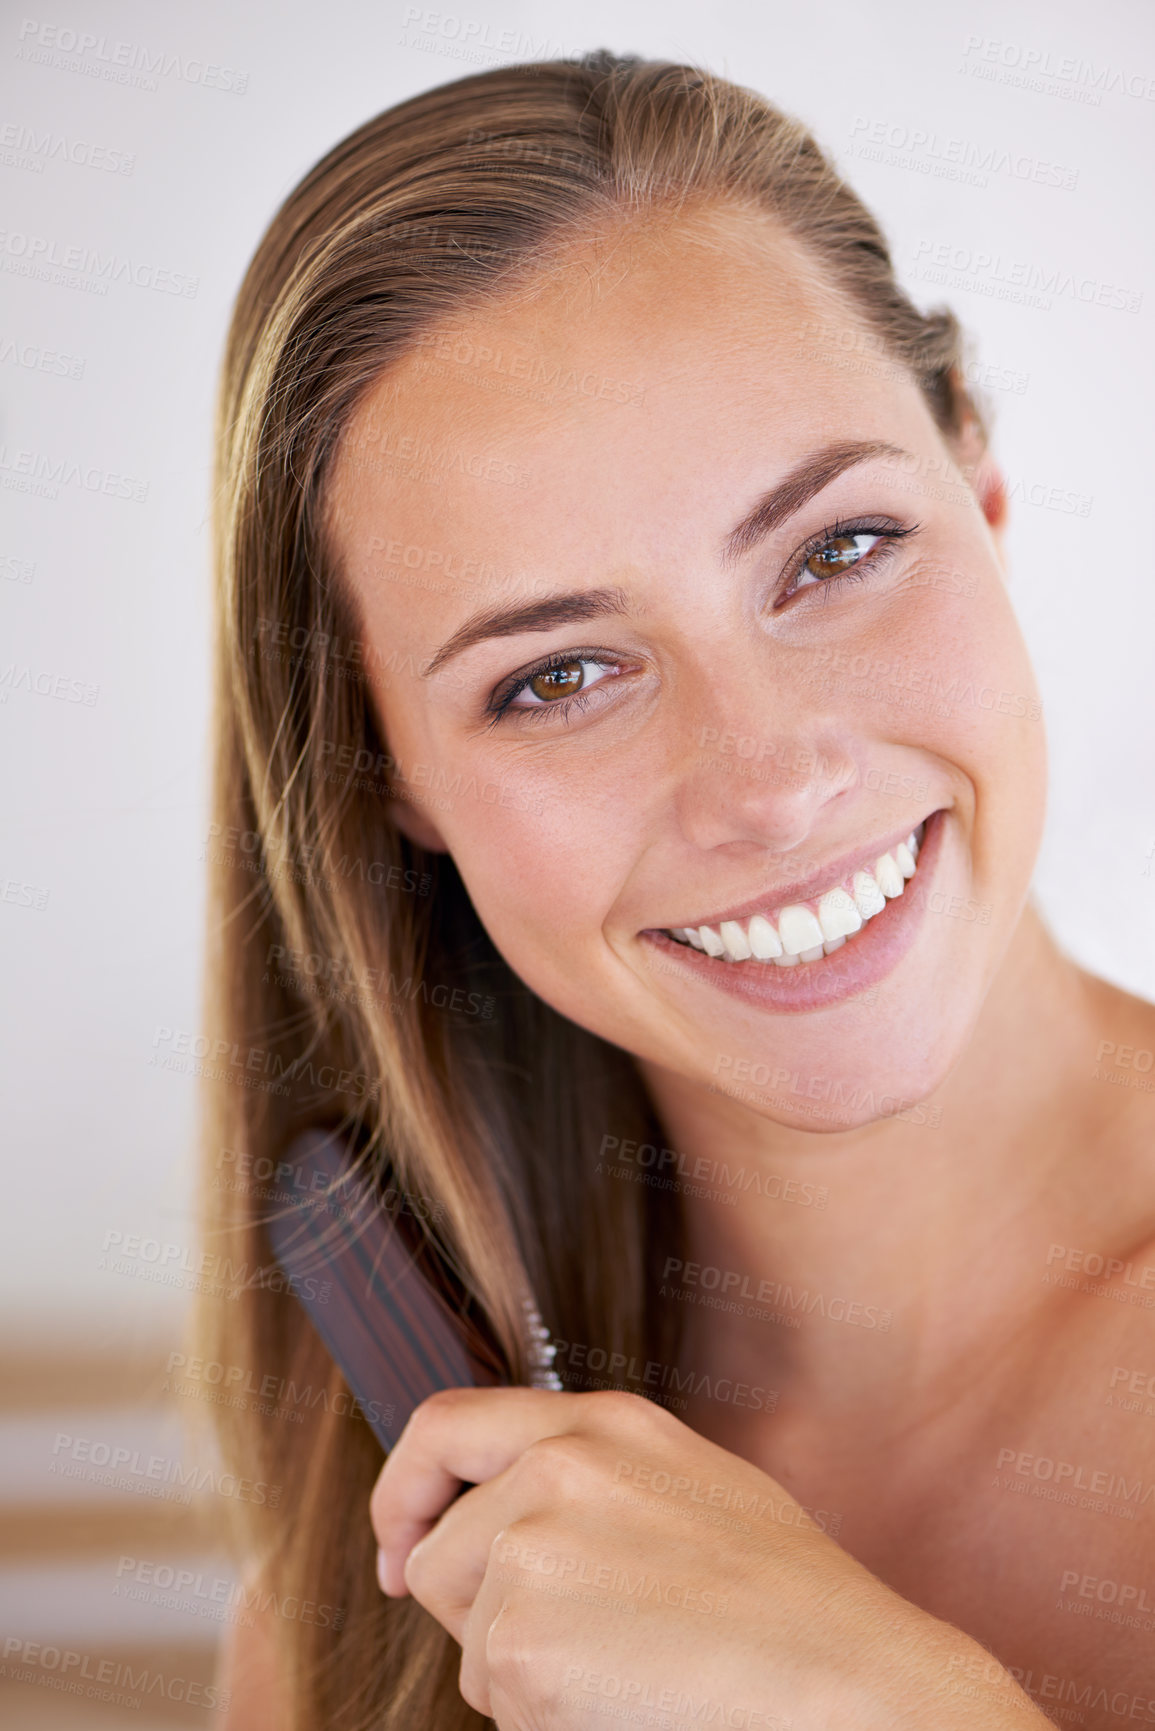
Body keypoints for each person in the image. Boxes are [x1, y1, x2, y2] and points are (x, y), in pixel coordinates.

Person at [200, 49, 1155, 1731]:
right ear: (389, 782)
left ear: (983, 494)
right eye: (558, 677)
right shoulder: (382, 1601)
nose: (772, 779)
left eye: (836, 552)